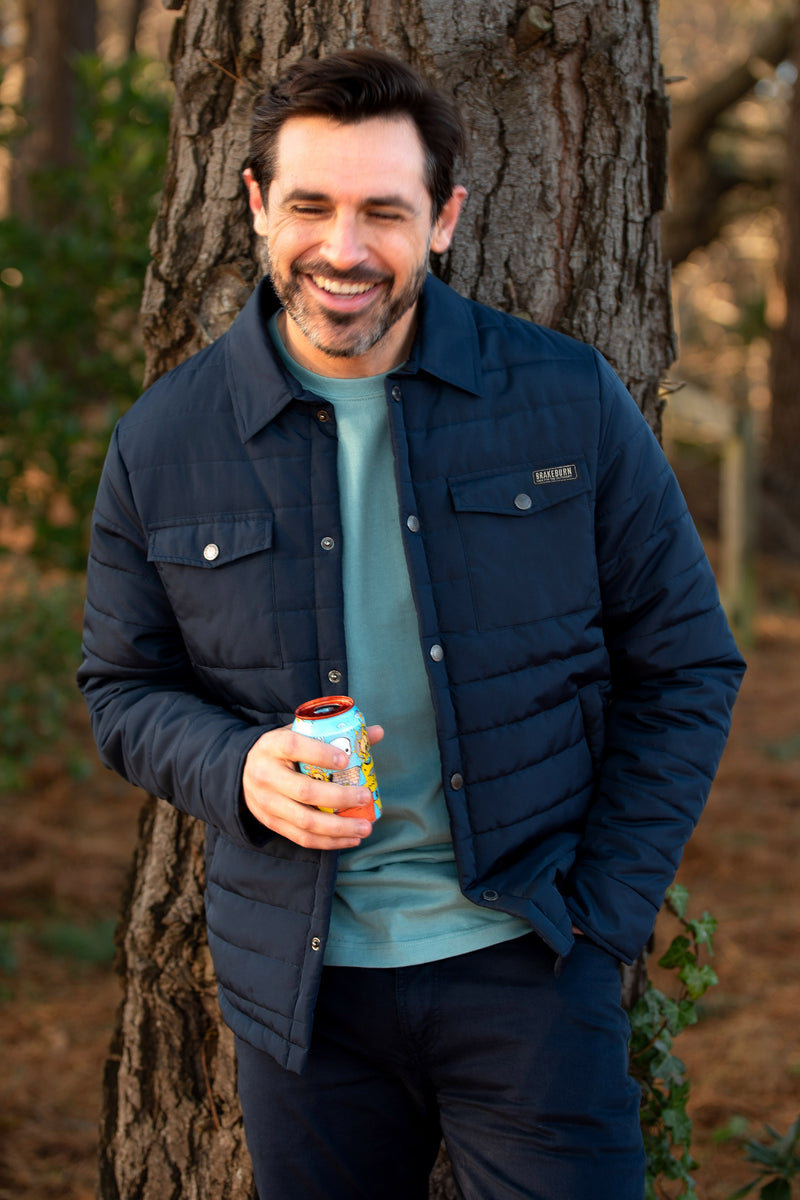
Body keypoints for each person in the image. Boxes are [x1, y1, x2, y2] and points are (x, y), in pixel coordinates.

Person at [78, 48, 745, 1200]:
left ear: (443, 219)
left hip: (531, 963)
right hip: (302, 995)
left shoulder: (565, 399)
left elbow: (684, 662)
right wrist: (236, 767)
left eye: (383, 211)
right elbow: (120, 688)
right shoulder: (165, 439)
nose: (342, 249)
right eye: (310, 206)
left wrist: (600, 922)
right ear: (255, 205)